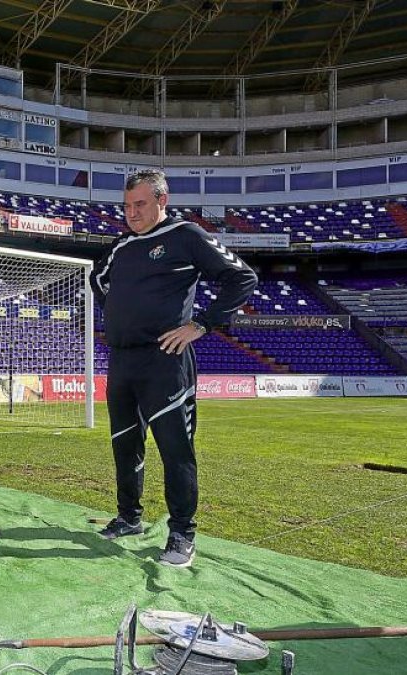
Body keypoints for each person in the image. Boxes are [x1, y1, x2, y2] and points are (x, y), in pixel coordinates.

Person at [90, 169, 257, 567]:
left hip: (165, 361)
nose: (131, 213)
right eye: (127, 206)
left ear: (162, 201)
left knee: (175, 449)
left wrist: (200, 325)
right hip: (122, 360)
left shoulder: (187, 237)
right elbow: (98, 278)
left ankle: (182, 533)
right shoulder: (121, 246)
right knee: (124, 445)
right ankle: (129, 518)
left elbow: (242, 278)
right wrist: (117, 311)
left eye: (141, 205)